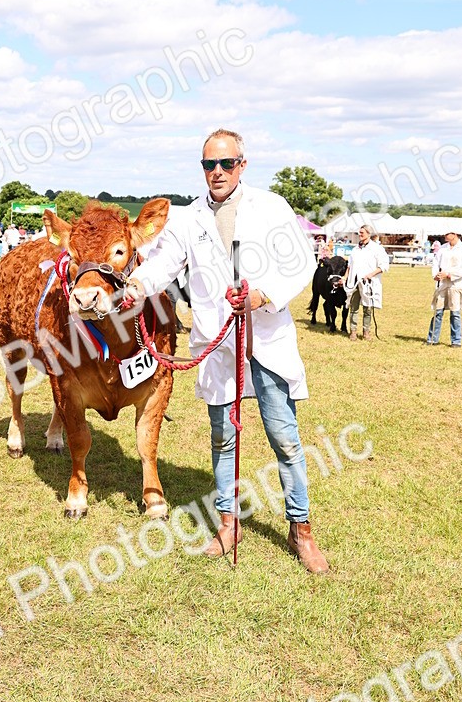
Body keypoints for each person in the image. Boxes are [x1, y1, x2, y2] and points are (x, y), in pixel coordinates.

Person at [126, 127, 328, 573]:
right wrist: (138, 284)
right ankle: (227, 522)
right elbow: (164, 263)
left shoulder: (271, 207)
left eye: (225, 163)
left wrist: (262, 295)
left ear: (242, 164)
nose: (216, 172)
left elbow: (301, 261)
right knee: (223, 438)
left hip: (266, 338)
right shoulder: (187, 216)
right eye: (208, 165)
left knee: (284, 437)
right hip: (216, 342)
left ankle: (301, 530)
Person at [340, 224, 389, 342]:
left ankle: (366, 332)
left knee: (368, 308)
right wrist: (345, 278)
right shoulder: (355, 249)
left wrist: (370, 275)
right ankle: (353, 331)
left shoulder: (377, 249)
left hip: (368, 282)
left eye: (362, 233)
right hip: (354, 282)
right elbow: (350, 266)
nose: (360, 235)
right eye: (359, 233)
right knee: (353, 307)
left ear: (368, 234)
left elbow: (384, 266)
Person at [427, 229, 462, 347]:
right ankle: (432, 338)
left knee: (455, 313)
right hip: (442, 284)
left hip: (456, 284)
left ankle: (456, 341)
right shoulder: (442, 248)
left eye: (447, 234)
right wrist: (436, 275)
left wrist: (449, 274)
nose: (444, 236)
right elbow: (436, 263)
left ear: (454, 234)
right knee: (438, 311)